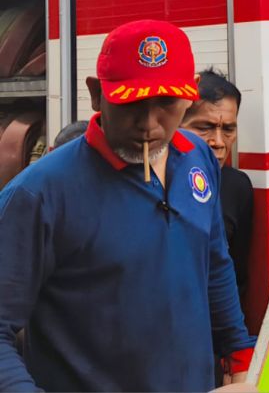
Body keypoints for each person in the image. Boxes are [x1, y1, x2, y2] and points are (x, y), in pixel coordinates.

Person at [0, 20, 254, 391]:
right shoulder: (40, 195)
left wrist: (239, 354)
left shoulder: (197, 158)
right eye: (131, 103)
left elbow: (214, 260)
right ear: (95, 94)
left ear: (188, 98)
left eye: (166, 103)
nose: (149, 124)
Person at [183, 68, 254, 306]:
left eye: (228, 129)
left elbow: (237, 278)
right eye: (204, 127)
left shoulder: (237, 187)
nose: (218, 143)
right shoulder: (151, 181)